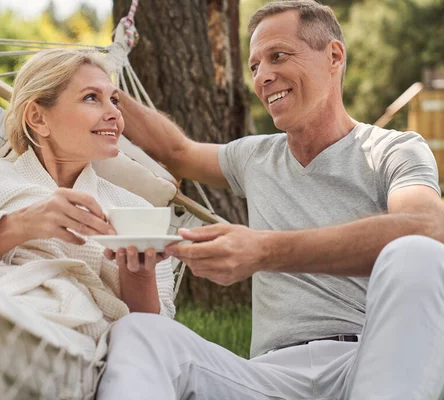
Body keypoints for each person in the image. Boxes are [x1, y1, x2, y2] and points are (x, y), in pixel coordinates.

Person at [96, 1, 444, 399]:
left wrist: (264, 250)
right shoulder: (253, 156)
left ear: (333, 56)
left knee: (419, 254)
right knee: (138, 332)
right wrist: (104, 93)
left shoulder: (392, 150)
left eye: (277, 56)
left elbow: (429, 229)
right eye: (255, 66)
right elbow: (177, 152)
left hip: (369, 365)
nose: (263, 76)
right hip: (268, 378)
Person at [0, 49, 175, 343]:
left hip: (72, 342)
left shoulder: (135, 210)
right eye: (91, 98)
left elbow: (155, 334)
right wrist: (21, 225)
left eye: (114, 100)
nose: (114, 113)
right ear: (37, 117)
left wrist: (137, 275)